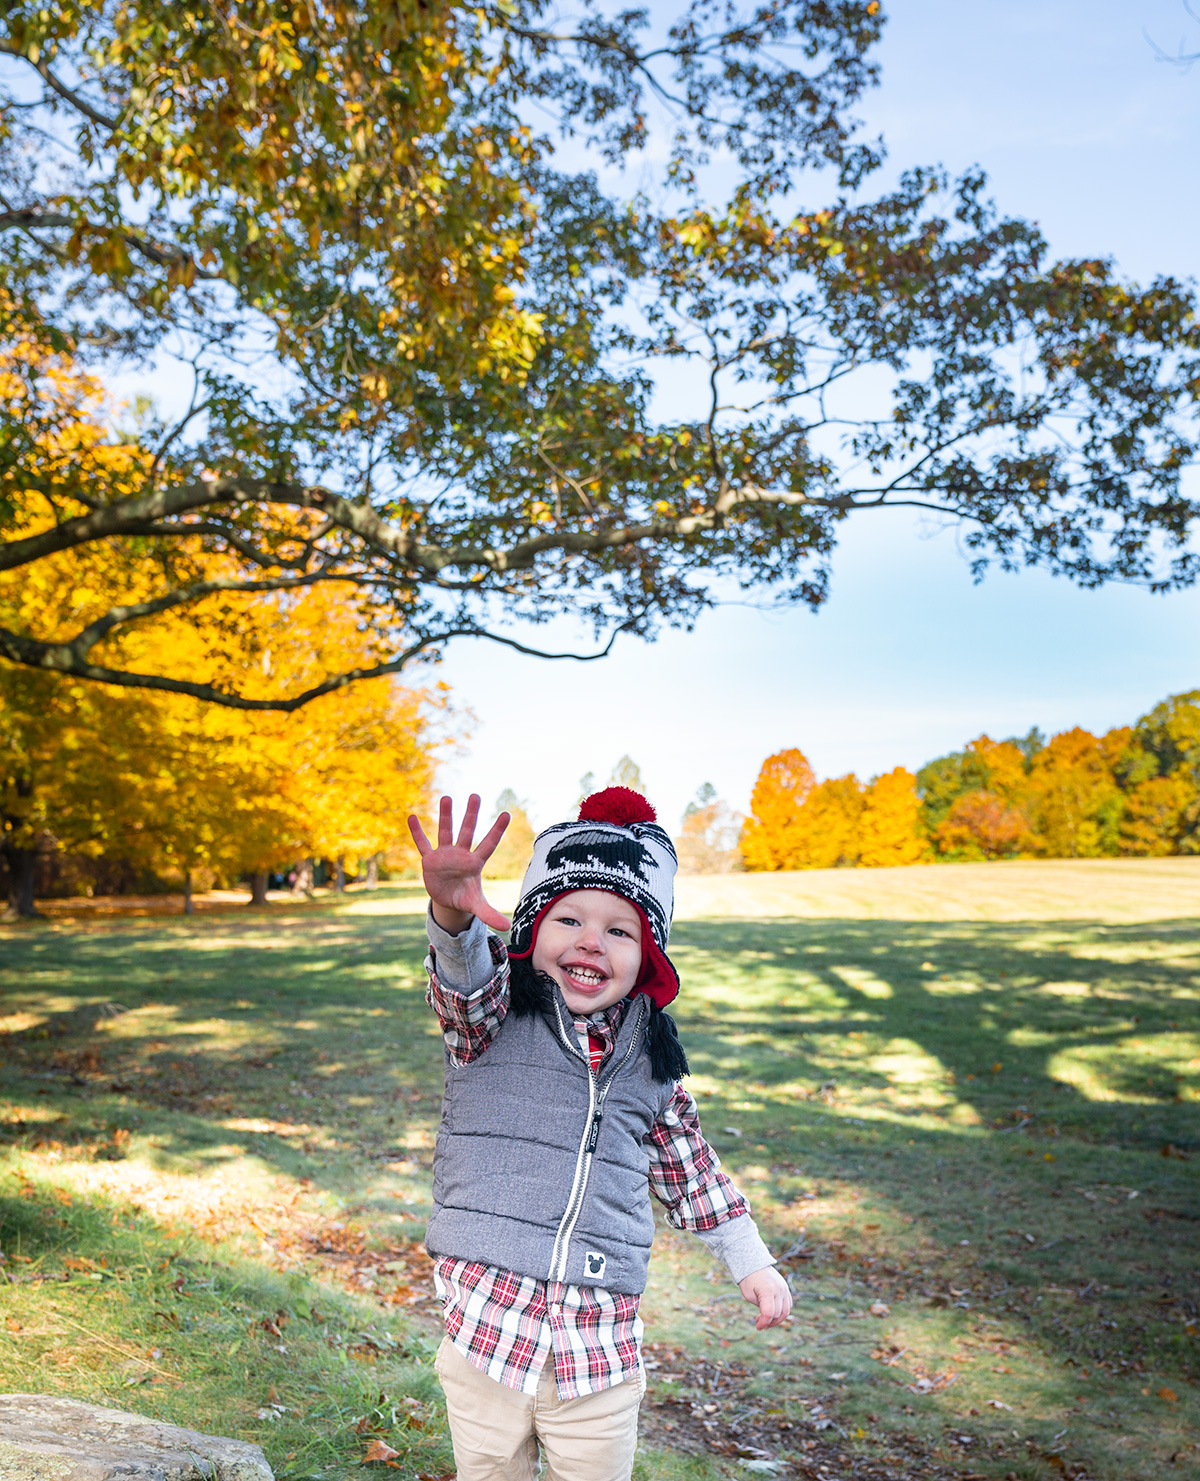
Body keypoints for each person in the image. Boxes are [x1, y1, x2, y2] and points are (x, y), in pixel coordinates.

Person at [407, 786, 792, 1481]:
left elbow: (691, 1171)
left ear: (648, 959)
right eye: (570, 919)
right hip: (488, 1330)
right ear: (530, 932)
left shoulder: (652, 1065)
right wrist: (450, 913)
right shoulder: (489, 1023)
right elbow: (461, 978)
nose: (591, 939)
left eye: (620, 930)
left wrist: (750, 1257)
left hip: (600, 1346)